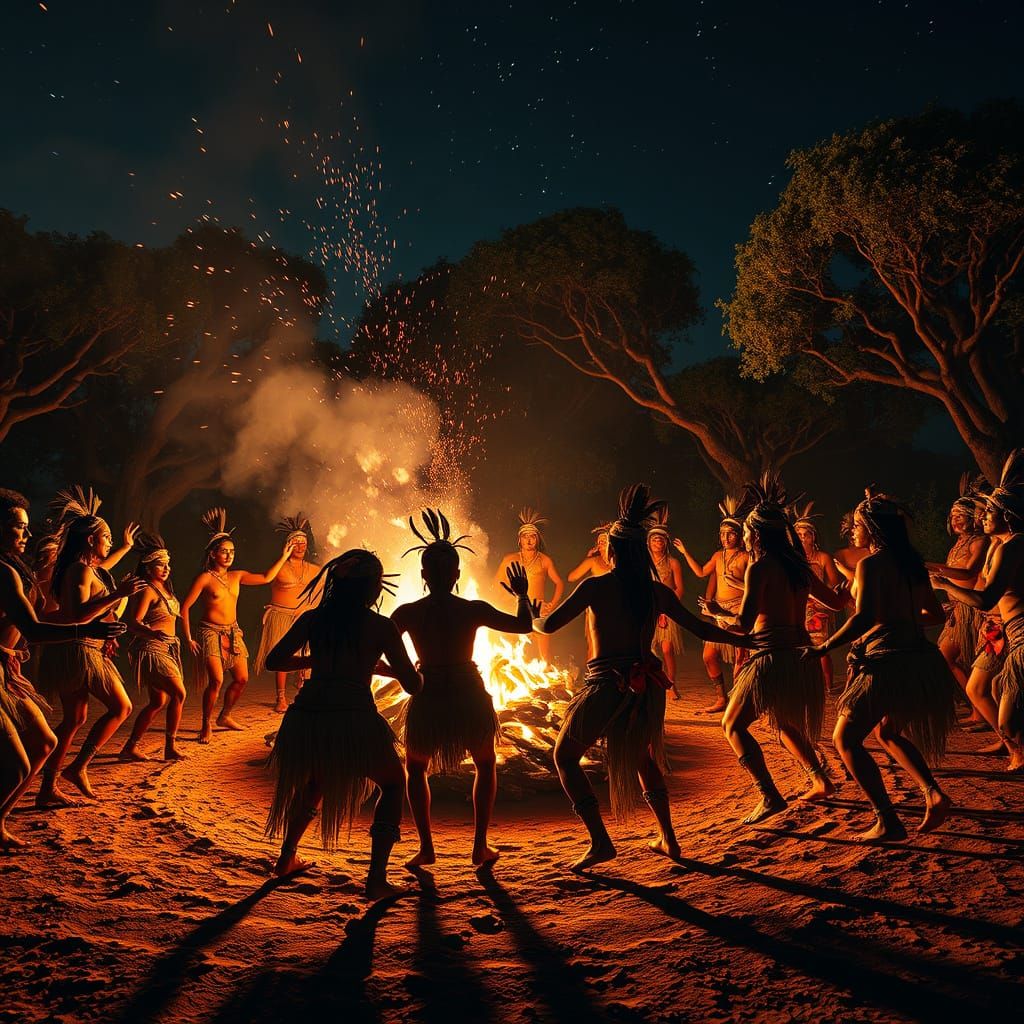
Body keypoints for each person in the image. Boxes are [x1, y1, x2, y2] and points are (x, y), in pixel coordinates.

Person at [535, 484, 753, 872]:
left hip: (608, 685)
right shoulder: (656, 592)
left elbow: (548, 624)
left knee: (564, 756)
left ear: (614, 551)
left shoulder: (596, 586)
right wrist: (741, 634)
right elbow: (702, 630)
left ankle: (601, 842)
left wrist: (525, 607)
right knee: (642, 758)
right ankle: (669, 838)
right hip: (645, 686)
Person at [264, 549, 423, 900]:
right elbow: (413, 685)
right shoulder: (381, 626)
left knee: (316, 780)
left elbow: (273, 661)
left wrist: (316, 658)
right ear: (373, 590)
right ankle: (376, 879)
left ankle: (286, 858)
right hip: (352, 713)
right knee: (395, 784)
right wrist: (398, 671)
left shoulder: (312, 619)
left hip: (309, 712)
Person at [392, 510, 538, 868]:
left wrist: (393, 670)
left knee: (416, 768)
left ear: (423, 575)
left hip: (428, 691)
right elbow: (523, 626)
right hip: (466, 690)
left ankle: (427, 848)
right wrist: (522, 595)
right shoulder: (471, 609)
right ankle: (479, 846)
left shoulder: (408, 612)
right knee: (485, 764)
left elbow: (380, 646)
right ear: (457, 575)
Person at [811, 490, 958, 841]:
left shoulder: (871, 565)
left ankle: (887, 820)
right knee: (887, 732)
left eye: (858, 526)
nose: (853, 532)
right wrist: (900, 621)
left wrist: (826, 647)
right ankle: (933, 793)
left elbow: (863, 618)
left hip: (887, 663)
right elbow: (935, 614)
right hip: (918, 660)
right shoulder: (913, 565)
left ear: (874, 530)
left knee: (845, 740)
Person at [704, 476, 846, 824]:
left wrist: (718, 616)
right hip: (800, 654)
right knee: (782, 723)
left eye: (749, 533)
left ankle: (769, 795)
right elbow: (836, 602)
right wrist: (850, 588)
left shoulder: (760, 567)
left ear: (756, 535)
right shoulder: (799, 568)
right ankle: (820, 779)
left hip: (770, 657)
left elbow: (745, 621)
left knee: (733, 725)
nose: (747, 537)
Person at [0, 489, 126, 845]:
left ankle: (36, 795)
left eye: (26, 528)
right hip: (58, 654)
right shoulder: (8, 573)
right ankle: (71, 771)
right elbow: (36, 628)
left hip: (9, 671)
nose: (26, 534)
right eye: (17, 527)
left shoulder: (15, 570)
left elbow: (36, 618)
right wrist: (88, 626)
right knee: (21, 762)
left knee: (46, 741)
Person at [34, 488, 145, 804]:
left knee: (75, 719)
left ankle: (49, 786)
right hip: (78, 649)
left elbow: (104, 570)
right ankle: (77, 767)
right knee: (120, 707)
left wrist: (125, 548)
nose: (108, 541)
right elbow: (74, 614)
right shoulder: (79, 570)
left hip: (87, 648)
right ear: (90, 540)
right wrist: (117, 594)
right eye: (106, 536)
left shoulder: (90, 569)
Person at [933, 452, 1024, 771]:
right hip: (1007, 633)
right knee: (996, 687)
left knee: (1007, 715)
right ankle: (1014, 752)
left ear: (1008, 515)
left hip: (1017, 634)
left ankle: (1017, 753)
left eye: (990, 512)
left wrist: (945, 585)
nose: (983, 516)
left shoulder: (1013, 546)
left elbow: (985, 599)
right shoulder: (1004, 545)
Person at [180, 508, 296, 743]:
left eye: (232, 551)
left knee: (242, 678)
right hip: (209, 631)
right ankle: (205, 725)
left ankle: (225, 716)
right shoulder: (204, 578)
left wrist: (284, 556)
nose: (229, 555)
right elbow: (184, 607)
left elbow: (266, 578)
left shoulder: (237, 575)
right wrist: (188, 637)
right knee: (217, 680)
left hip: (233, 631)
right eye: (224, 551)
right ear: (213, 554)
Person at [673, 494, 749, 714]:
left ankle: (738, 702)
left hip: (738, 610)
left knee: (740, 657)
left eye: (730, 533)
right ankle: (721, 698)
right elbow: (700, 573)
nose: (726, 537)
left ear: (739, 536)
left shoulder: (746, 557)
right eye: (723, 534)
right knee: (708, 656)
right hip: (717, 612)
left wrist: (738, 583)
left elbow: (754, 587)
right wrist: (685, 552)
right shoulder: (718, 556)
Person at [118, 534, 187, 762]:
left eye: (168, 564)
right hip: (151, 649)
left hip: (166, 650)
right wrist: (153, 633)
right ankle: (170, 746)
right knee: (179, 693)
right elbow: (133, 622)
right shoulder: (147, 590)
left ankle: (130, 747)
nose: (166, 568)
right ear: (148, 568)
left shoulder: (164, 589)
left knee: (158, 701)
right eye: (160, 564)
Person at [926, 476, 987, 714]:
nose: (955, 520)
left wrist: (932, 567)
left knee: (957, 658)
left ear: (972, 517)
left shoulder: (979, 542)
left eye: (960, 515)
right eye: (952, 516)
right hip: (957, 609)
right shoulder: (958, 544)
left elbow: (968, 572)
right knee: (951, 659)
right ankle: (976, 707)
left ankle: (979, 709)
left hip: (971, 610)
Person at [252, 514, 322, 714]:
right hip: (281, 616)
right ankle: (280, 697)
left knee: (308, 655)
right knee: (282, 654)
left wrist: (309, 607)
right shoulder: (279, 568)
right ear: (288, 544)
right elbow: (266, 579)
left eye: (303, 543)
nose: (300, 546)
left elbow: (326, 590)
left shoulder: (314, 570)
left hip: (305, 616)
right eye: (295, 542)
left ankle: (305, 691)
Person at [494, 508, 563, 663]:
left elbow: (559, 583)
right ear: (520, 540)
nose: (529, 540)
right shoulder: (509, 559)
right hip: (516, 610)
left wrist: (551, 605)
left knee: (544, 655)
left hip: (539, 611)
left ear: (537, 539)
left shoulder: (545, 560)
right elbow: (497, 583)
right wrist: (508, 601)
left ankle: (548, 677)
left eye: (533, 536)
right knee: (513, 653)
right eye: (525, 536)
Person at [791, 502, 843, 693]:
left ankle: (828, 685)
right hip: (797, 607)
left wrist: (817, 599)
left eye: (807, 534)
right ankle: (804, 684)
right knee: (798, 647)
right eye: (799, 535)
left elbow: (834, 584)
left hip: (819, 607)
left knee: (821, 647)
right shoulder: (792, 559)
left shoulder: (823, 558)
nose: (803, 538)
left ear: (814, 537)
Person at [648, 510, 685, 700]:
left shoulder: (673, 562)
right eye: (654, 540)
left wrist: (668, 608)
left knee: (667, 649)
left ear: (666, 543)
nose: (658, 543)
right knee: (648, 648)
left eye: (661, 540)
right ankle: (652, 683)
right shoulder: (644, 563)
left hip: (668, 609)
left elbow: (679, 589)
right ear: (649, 542)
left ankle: (671, 684)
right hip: (648, 609)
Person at [567, 524, 612, 662]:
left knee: (613, 644)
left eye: (605, 540)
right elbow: (571, 577)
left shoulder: (619, 561)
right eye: (599, 541)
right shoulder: (593, 561)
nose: (601, 543)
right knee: (594, 644)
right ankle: (592, 677)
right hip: (596, 609)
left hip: (615, 608)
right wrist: (587, 558)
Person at [833, 512, 870, 584]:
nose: (853, 535)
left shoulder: (870, 553)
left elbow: (863, 581)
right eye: (850, 534)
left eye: (856, 527)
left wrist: (844, 570)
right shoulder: (840, 554)